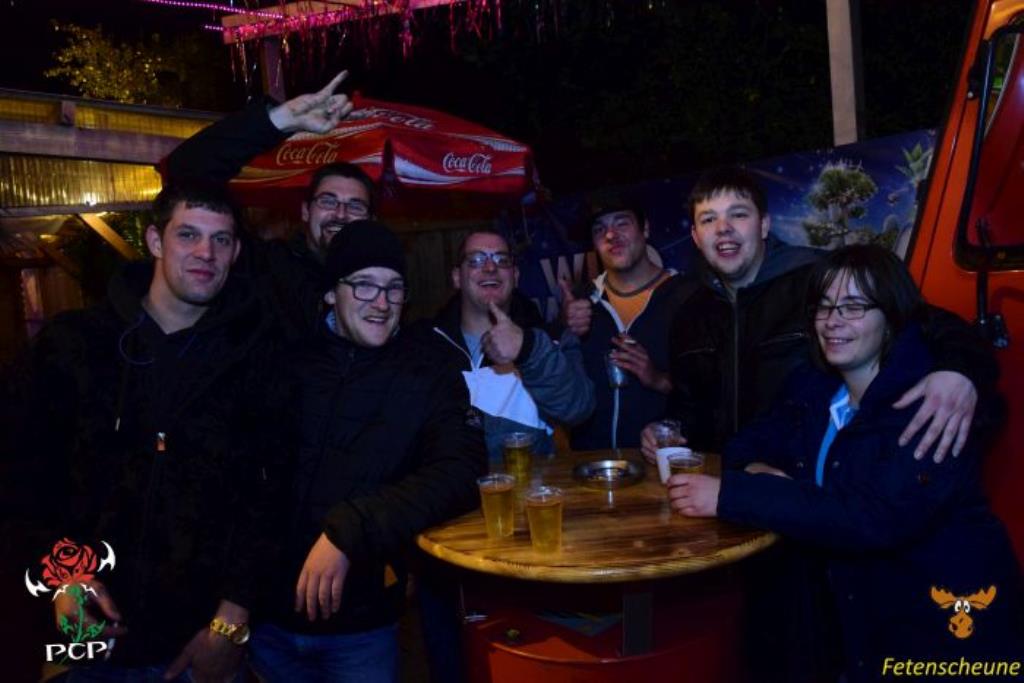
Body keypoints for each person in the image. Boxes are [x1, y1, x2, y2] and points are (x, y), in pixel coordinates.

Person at [668, 245, 1024, 681]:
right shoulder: (814, 388)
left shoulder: (929, 404)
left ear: (891, 317)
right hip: (861, 627)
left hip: (944, 632)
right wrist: (758, 469)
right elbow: (745, 444)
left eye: (854, 307)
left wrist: (737, 494)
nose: (833, 321)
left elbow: (870, 517)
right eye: (824, 306)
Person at [2, 184, 284, 681]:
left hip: (201, 649)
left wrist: (232, 622)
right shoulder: (75, 344)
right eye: (188, 234)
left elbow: (271, 496)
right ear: (155, 240)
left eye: (221, 239)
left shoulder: (258, 358)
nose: (206, 252)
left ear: (236, 252)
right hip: (93, 642)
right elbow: (22, 478)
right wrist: (62, 576)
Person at [248, 220, 487, 682]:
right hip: (268, 623)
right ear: (330, 293)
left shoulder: (427, 374)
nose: (381, 302)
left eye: (394, 288)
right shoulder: (287, 365)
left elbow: (461, 470)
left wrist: (353, 526)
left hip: (361, 628)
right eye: (364, 285)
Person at [643, 166, 994, 462]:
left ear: (763, 225)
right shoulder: (689, 312)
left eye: (738, 214)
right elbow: (688, 406)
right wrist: (664, 429)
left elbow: (929, 322)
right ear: (696, 236)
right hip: (719, 491)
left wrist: (958, 371)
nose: (723, 228)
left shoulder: (818, 280)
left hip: (808, 491)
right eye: (708, 219)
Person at [165, 73, 367, 340]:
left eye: (355, 206)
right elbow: (187, 170)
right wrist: (279, 120)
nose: (340, 214)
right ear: (305, 211)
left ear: (371, 219)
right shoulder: (266, 269)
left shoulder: (385, 283)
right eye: (328, 201)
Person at [413, 228, 595, 461]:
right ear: (457, 277)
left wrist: (527, 349)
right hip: (448, 483)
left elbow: (578, 409)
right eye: (476, 260)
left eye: (502, 260)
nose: (491, 267)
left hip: (527, 483)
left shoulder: (548, 340)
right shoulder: (423, 345)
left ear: (516, 276)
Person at [560, 201, 696, 450]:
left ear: (645, 229)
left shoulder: (688, 297)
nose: (610, 235)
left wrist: (657, 378)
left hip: (660, 463)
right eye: (599, 229)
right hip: (592, 465)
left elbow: (711, 395)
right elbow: (560, 392)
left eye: (622, 223)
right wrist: (565, 332)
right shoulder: (581, 303)